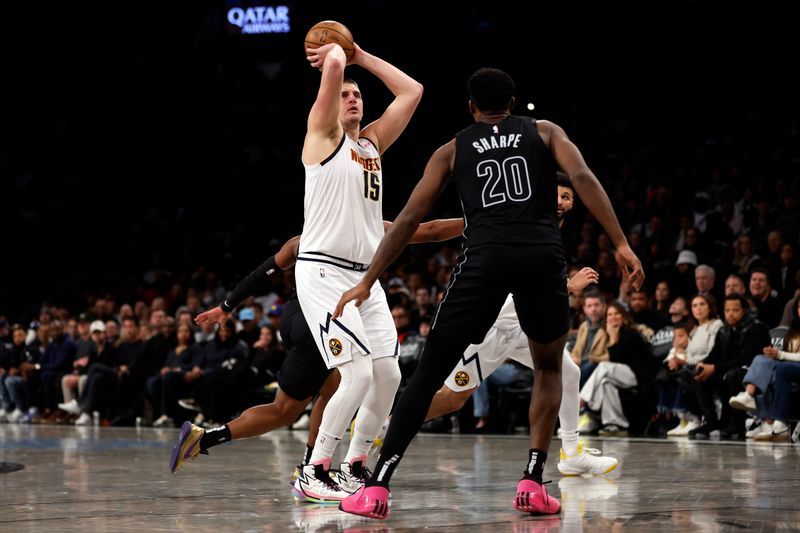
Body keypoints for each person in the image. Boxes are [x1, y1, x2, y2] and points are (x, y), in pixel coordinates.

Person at [334, 68, 643, 519]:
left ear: (471, 108)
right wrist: (620, 242)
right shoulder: (545, 132)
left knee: (428, 373)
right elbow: (583, 176)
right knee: (549, 369)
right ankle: (533, 481)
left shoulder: (454, 149)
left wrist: (366, 279)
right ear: (513, 104)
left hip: (484, 261)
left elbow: (407, 220)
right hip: (541, 258)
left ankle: (377, 486)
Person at [169, 219, 462, 486]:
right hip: (315, 319)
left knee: (322, 393)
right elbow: (428, 231)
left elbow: (265, 271)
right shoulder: (359, 227)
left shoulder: (313, 235)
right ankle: (310, 467)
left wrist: (227, 306)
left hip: (298, 317)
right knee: (296, 406)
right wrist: (479, 217)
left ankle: (206, 438)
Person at [422, 173, 618, 475]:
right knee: (452, 400)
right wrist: (568, 285)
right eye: (555, 194)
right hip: (493, 327)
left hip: (524, 327)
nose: (560, 201)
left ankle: (571, 453)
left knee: (568, 372)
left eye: (567, 197)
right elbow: (525, 280)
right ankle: (387, 424)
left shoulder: (553, 233)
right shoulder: (524, 223)